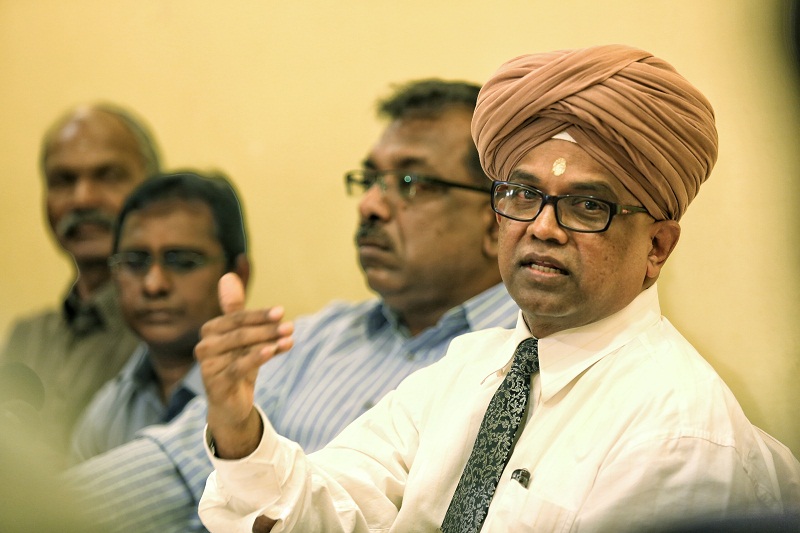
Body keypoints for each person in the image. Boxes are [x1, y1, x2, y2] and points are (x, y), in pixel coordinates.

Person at [197, 45, 800, 533]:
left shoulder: (674, 429)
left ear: (657, 248)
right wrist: (236, 425)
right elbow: (320, 511)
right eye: (522, 194)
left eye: (587, 206)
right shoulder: (470, 369)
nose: (542, 226)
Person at [65, 79, 519, 532]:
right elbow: (181, 464)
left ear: (494, 217)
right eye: (370, 179)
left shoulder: (524, 358)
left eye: (410, 182)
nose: (370, 205)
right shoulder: (316, 336)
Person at [0, 103, 162, 452]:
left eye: (108, 175)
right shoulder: (26, 338)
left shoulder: (169, 333)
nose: (83, 198)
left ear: (152, 190)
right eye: (63, 180)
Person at [69, 171, 250, 463]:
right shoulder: (106, 414)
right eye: (134, 262)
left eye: (182, 261)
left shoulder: (275, 388)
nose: (154, 284)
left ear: (238, 274)